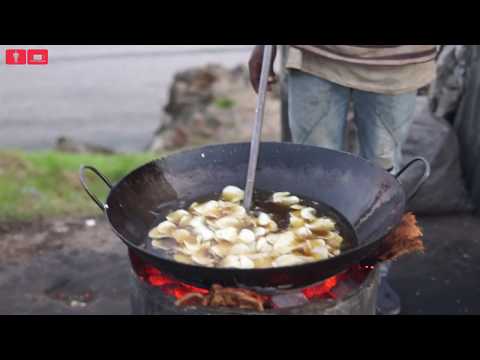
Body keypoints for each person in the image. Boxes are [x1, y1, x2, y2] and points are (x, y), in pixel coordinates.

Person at [248, 45, 437, 315]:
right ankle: (309, 273)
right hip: (315, 55)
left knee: (382, 178)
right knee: (311, 173)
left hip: (397, 61)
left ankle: (373, 274)